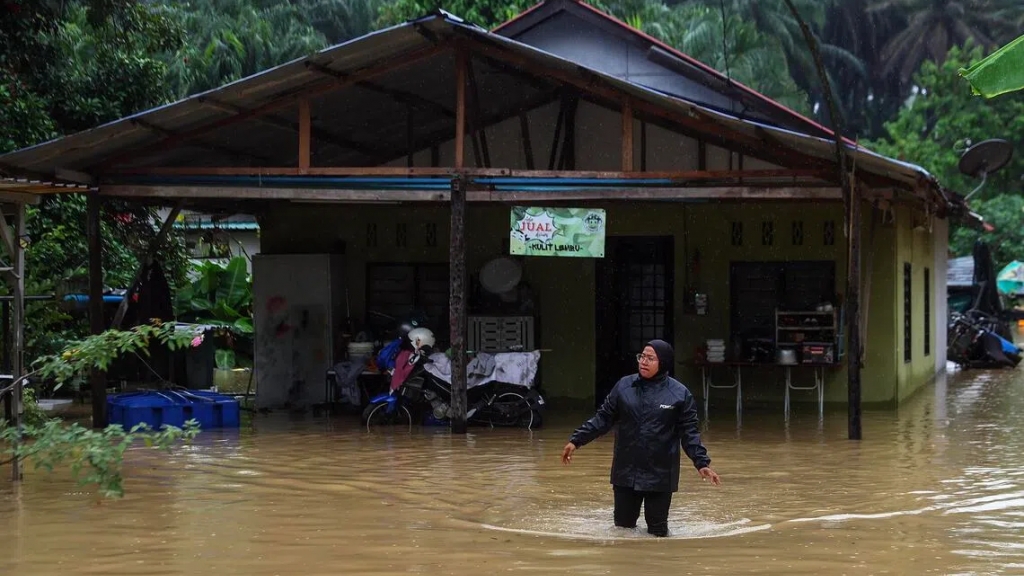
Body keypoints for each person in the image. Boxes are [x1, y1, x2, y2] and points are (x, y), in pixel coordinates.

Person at [561, 339, 721, 537]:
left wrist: (701, 462)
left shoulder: (679, 394)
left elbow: (689, 433)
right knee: (622, 531)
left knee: (658, 532)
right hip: (626, 471)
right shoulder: (624, 386)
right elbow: (603, 419)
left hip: (660, 474)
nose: (643, 362)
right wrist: (576, 440)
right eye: (641, 357)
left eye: (650, 358)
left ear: (663, 362)